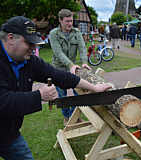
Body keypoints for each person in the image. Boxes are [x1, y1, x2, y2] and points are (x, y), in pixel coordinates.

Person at [0, 16, 111, 160]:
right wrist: (39, 95)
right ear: (10, 38)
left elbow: (58, 75)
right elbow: (3, 101)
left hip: (9, 133)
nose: (34, 49)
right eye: (29, 43)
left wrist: (93, 88)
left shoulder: (28, 61)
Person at [49, 9, 91, 126]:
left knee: (78, 92)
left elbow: (82, 47)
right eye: (67, 21)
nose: (70, 24)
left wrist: (83, 62)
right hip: (58, 69)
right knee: (62, 95)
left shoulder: (76, 32)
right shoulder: (53, 34)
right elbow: (58, 53)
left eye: (71, 21)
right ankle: (67, 117)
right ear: (60, 21)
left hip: (73, 68)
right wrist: (70, 65)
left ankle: (74, 116)